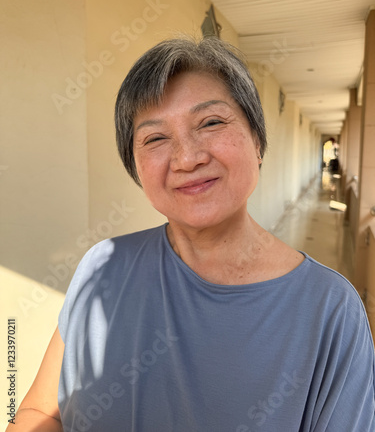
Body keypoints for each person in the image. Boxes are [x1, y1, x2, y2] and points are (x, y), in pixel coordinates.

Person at [8, 37, 375, 431]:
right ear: (135, 167)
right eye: (155, 138)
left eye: (211, 122)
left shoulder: (329, 311)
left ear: (257, 142)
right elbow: (40, 412)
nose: (187, 157)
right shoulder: (102, 267)